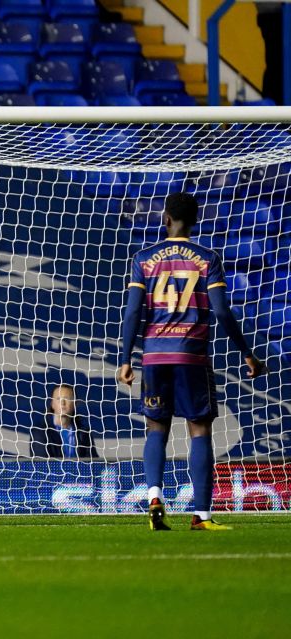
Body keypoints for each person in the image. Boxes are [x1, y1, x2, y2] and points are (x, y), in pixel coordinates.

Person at [118, 192, 265, 532]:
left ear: (166, 219)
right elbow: (222, 311)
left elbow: (133, 313)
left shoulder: (144, 258)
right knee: (199, 430)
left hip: (154, 355)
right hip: (191, 355)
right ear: (194, 221)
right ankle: (201, 515)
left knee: (157, 427)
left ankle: (155, 495)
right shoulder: (206, 258)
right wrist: (246, 352)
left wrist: (126, 358)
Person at [30, 384, 98, 459]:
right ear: (52, 404)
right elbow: (41, 465)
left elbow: (93, 462)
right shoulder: (40, 431)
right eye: (58, 399)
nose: (63, 403)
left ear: (75, 403)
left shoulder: (83, 432)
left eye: (67, 398)